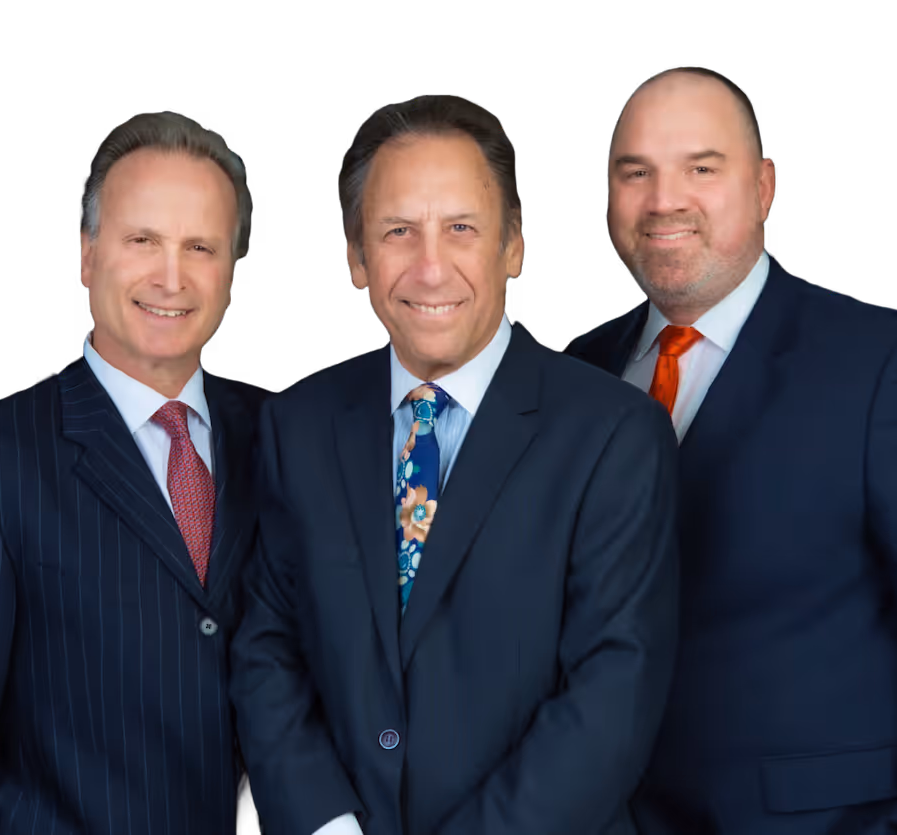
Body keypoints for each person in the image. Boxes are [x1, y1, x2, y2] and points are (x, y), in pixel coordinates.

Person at [229, 94, 681, 835]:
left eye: (462, 229)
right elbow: (268, 648)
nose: (430, 268)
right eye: (398, 231)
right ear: (355, 257)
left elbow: (612, 696)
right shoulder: (298, 424)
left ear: (515, 248)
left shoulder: (614, 434)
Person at [567, 67, 897, 834]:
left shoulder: (892, 369)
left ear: (765, 187)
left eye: (702, 168)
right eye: (636, 173)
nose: (664, 199)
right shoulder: (576, 376)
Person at [0, 111, 264, 833]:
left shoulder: (286, 437)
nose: (170, 276)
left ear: (230, 274)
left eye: (199, 246)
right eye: (142, 240)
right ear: (87, 255)